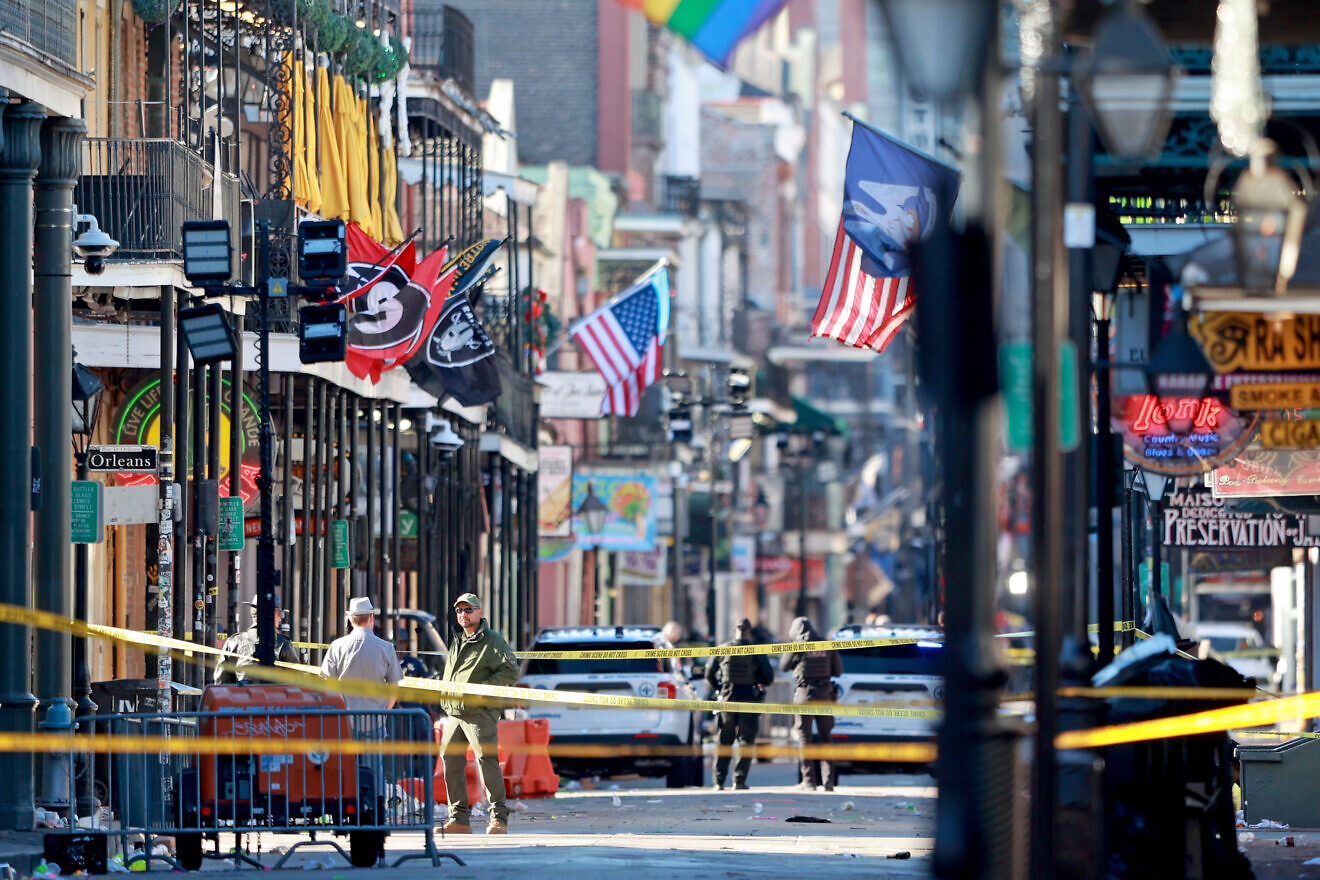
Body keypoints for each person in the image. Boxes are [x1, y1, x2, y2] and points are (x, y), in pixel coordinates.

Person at [438, 593, 519, 835]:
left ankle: (498, 818)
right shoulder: (458, 638)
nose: (464, 615)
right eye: (460, 610)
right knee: (450, 760)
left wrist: (483, 693)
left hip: (479, 713)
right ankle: (459, 818)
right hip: (455, 712)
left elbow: (510, 670)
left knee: (486, 761)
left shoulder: (492, 640)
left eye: (468, 610)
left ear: (480, 612)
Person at [704, 618, 773, 791]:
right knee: (746, 742)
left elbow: (709, 674)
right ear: (749, 631)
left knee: (724, 741)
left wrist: (720, 689)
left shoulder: (723, 649)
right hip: (749, 700)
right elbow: (769, 677)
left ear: (734, 629)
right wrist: (758, 682)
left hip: (727, 699)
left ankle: (719, 782)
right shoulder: (756, 650)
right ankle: (739, 781)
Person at [779, 616, 843, 791]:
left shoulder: (797, 646)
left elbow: (783, 666)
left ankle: (809, 782)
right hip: (825, 695)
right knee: (826, 739)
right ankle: (828, 782)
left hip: (804, 695)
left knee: (805, 740)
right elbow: (838, 671)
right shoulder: (827, 645)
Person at [321, 596, 405, 713]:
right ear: (371, 617)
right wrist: (384, 711)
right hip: (375, 720)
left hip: (345, 720)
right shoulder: (387, 648)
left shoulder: (336, 646)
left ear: (350, 619)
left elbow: (328, 683)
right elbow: (394, 687)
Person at [214, 595, 299, 684]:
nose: (280, 619)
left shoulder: (233, 642)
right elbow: (296, 681)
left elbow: (221, 682)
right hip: (273, 697)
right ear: (271, 615)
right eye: (279, 614)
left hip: (241, 697)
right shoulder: (282, 643)